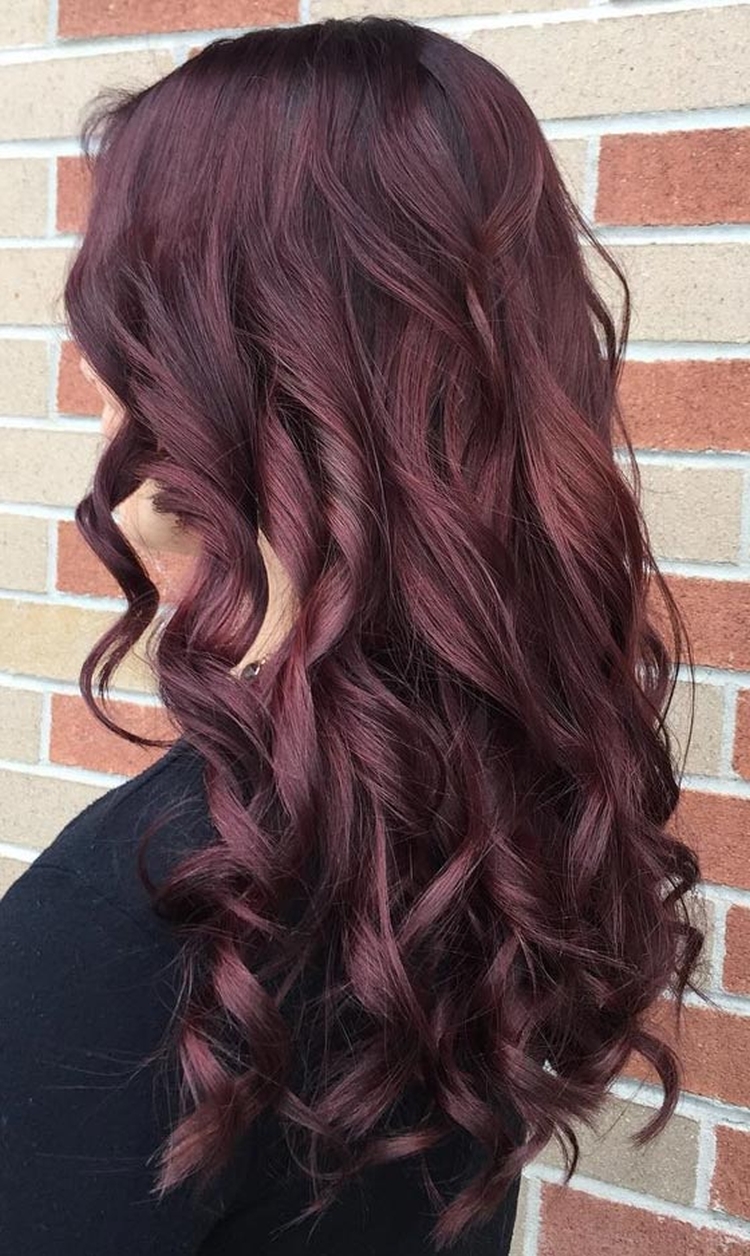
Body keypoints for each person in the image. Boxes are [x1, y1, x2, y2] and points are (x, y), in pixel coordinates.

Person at [0, 15, 704, 1256]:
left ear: (224, 371)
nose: (102, 384)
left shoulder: (138, 923)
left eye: (129, 324)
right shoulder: (487, 800)